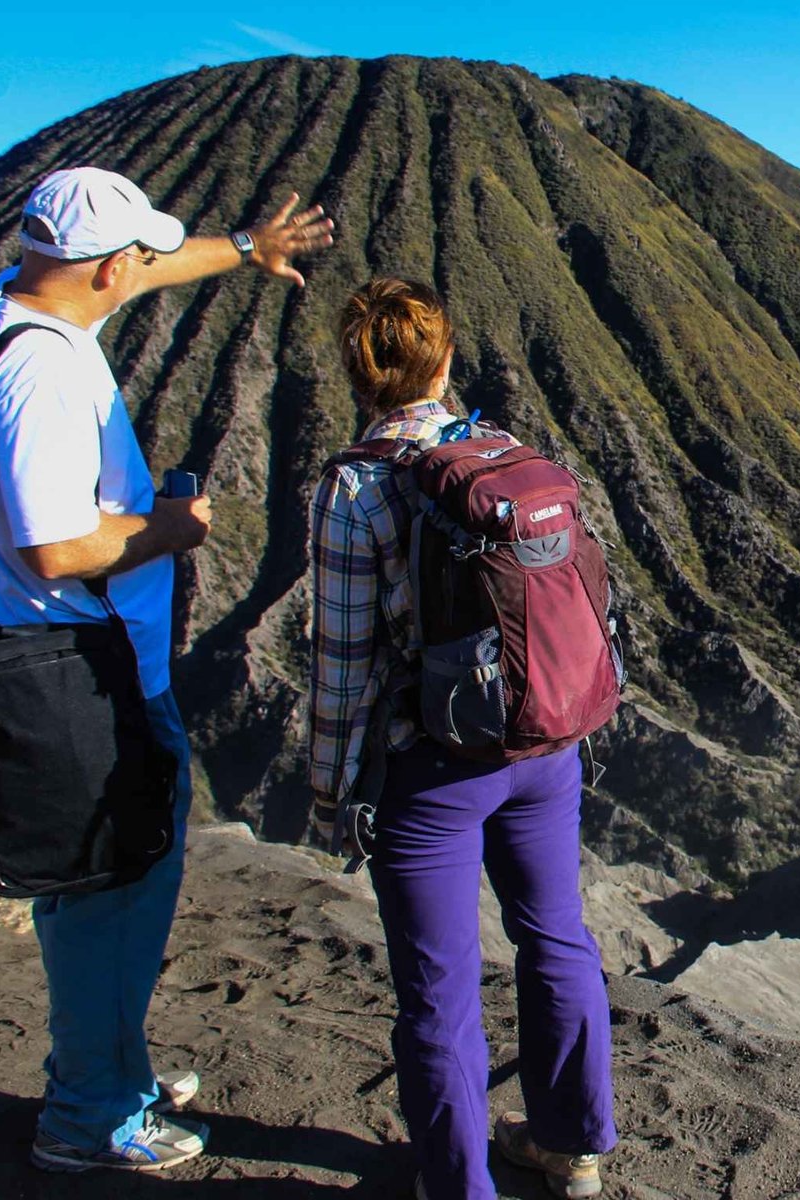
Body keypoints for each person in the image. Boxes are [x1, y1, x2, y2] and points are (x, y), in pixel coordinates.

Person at [0, 166, 332, 1172]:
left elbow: (146, 272)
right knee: (109, 888)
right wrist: (172, 528)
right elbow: (55, 545)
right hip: (78, 667)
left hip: (66, 660)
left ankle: (110, 1068)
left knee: (109, 879)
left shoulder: (1, 305)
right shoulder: (42, 372)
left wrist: (246, 250)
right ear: (108, 266)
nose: (146, 272)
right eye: (137, 260)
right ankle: (91, 1116)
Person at [306, 278, 617, 1200]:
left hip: (433, 771)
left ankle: (458, 1185)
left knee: (438, 995)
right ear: (446, 362)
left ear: (362, 375)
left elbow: (343, 662)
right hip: (543, 746)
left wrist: (332, 791)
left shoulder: (355, 487)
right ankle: (573, 1148)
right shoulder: (510, 454)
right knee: (557, 939)